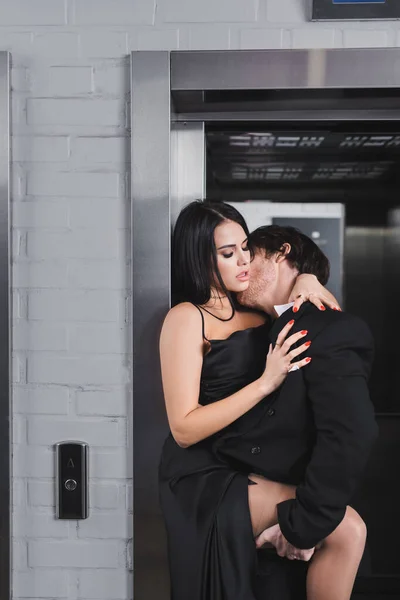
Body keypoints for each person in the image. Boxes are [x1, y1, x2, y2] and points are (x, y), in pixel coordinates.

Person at [158, 200, 359, 600]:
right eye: (228, 254)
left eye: (246, 248)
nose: (244, 261)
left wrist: (305, 278)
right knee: (347, 529)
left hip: (251, 465)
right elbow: (183, 428)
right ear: (200, 258)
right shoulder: (187, 317)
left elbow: (298, 314)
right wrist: (265, 383)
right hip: (205, 474)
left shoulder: (256, 312)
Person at [218, 223, 379, 600]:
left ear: (280, 253)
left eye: (250, 256)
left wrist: (303, 524)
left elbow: (350, 433)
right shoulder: (257, 325)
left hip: (288, 519)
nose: (240, 270)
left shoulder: (330, 327)